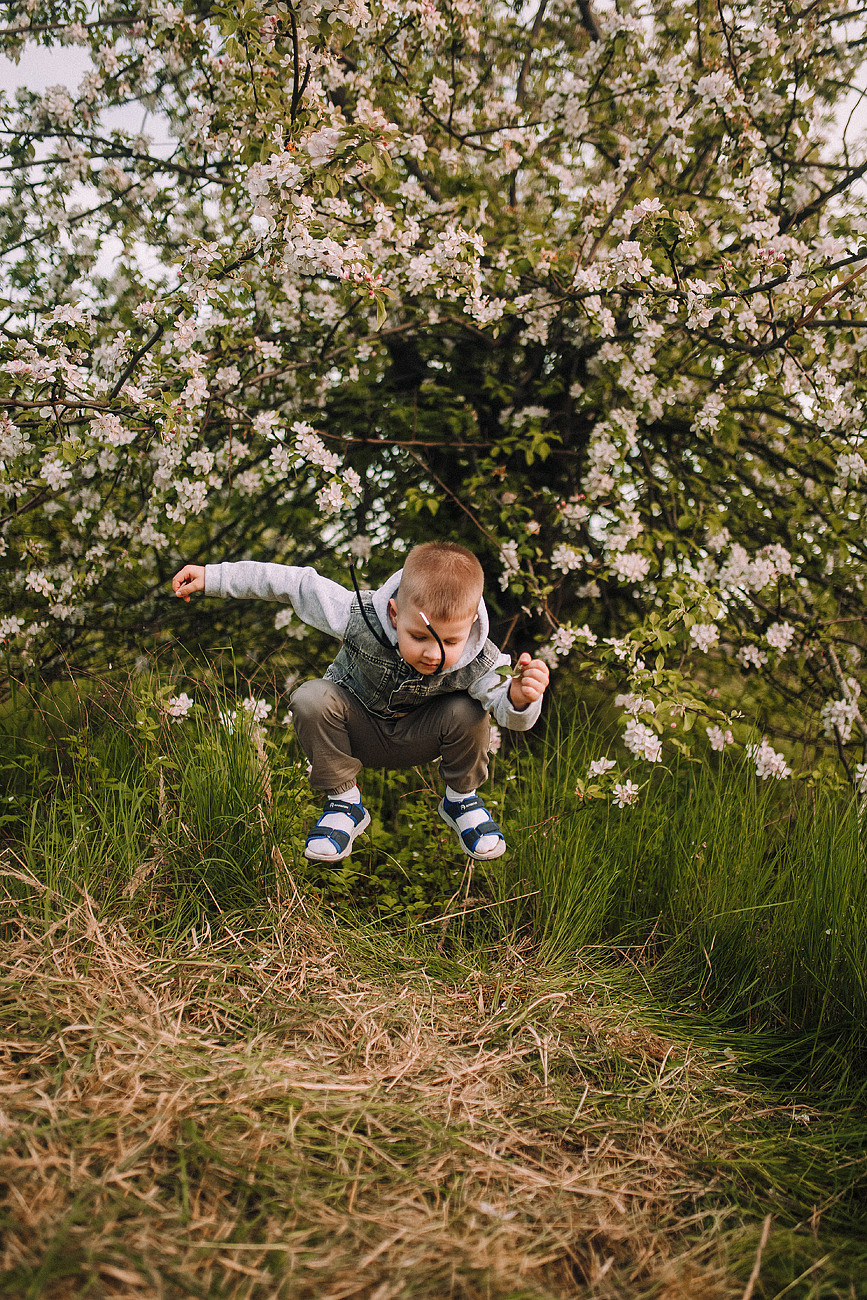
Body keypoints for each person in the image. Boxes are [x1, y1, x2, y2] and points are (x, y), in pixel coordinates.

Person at [172, 541, 549, 863]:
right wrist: (215, 577)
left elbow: (511, 716)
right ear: (393, 612)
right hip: (356, 732)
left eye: (450, 642)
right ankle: (344, 804)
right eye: (418, 636)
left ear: (469, 627)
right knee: (311, 696)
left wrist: (519, 699)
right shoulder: (358, 614)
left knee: (470, 711)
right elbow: (295, 584)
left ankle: (461, 800)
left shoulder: (483, 658)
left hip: (423, 739)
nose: (433, 654)